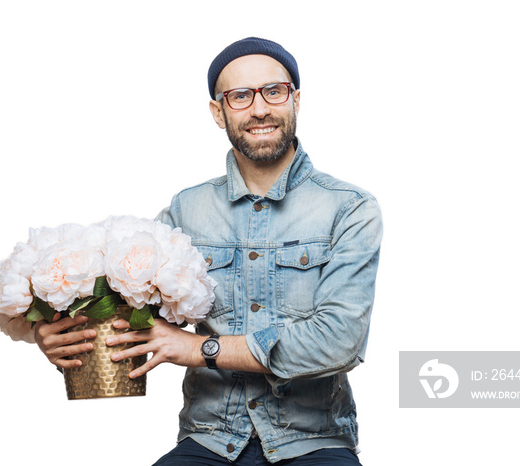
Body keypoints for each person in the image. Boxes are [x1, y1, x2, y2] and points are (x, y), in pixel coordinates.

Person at [35, 37, 382, 465]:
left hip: (313, 442)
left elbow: (339, 341)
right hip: (210, 440)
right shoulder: (185, 210)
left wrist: (203, 349)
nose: (260, 109)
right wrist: (61, 337)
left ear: (296, 99)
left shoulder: (349, 208)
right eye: (240, 96)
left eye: (274, 91)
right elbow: (128, 314)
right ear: (218, 111)